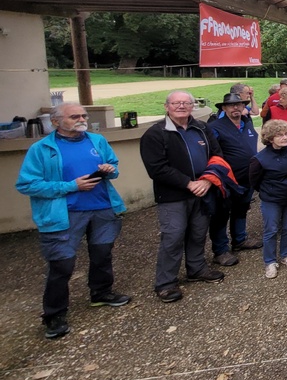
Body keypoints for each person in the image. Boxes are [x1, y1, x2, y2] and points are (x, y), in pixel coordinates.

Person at [16, 102, 130, 339]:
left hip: (102, 209)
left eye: (83, 115)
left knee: (102, 255)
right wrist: (71, 186)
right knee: (61, 265)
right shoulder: (41, 149)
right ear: (56, 121)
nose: (81, 119)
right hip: (65, 214)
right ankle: (54, 314)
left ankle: (101, 293)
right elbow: (27, 184)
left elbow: (115, 168)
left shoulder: (97, 141)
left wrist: (110, 169)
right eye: (74, 116)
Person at [140, 91, 226, 303]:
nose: (181, 106)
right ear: (166, 106)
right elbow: (157, 168)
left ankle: (196, 269)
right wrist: (188, 183)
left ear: (192, 106)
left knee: (198, 232)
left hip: (203, 191)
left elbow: (217, 155)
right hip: (173, 196)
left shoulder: (202, 128)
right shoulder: (155, 134)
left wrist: (207, 181)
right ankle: (166, 283)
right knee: (173, 237)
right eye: (176, 103)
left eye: (186, 103)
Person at [208, 92, 262, 267]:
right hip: (227, 179)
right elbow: (212, 153)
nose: (236, 108)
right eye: (232, 105)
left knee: (242, 209)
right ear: (224, 108)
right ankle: (220, 249)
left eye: (239, 105)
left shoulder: (247, 123)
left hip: (247, 177)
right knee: (221, 214)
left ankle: (240, 239)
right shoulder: (216, 126)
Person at [249, 120, 287, 278]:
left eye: (286, 134)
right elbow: (254, 181)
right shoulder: (259, 159)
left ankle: (286, 254)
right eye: (279, 135)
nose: (285, 137)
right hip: (272, 198)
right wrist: (270, 191)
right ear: (270, 138)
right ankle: (270, 261)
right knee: (271, 230)